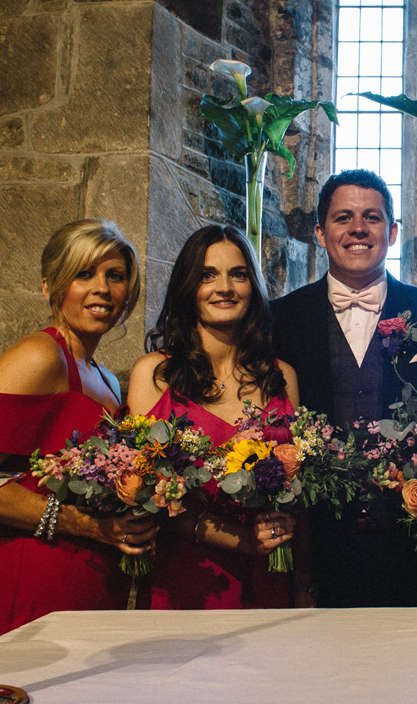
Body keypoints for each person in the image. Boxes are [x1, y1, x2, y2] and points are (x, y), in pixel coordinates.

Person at [271, 169, 417, 607]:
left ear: (393, 231)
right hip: (315, 549)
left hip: (414, 551)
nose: (358, 229)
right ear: (320, 233)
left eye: (373, 218)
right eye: (343, 217)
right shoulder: (280, 320)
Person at [0, 219, 152, 650]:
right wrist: (83, 524)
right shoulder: (39, 356)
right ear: (50, 286)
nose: (102, 288)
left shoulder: (107, 379)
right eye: (85, 274)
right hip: (37, 579)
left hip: (96, 584)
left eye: (115, 276)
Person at [127, 225, 302, 609]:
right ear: (188, 287)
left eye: (238, 274)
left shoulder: (281, 376)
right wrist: (243, 539)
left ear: (253, 286)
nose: (225, 287)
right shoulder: (155, 376)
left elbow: (294, 492)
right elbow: (152, 495)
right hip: (187, 582)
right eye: (208, 275)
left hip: (268, 580)